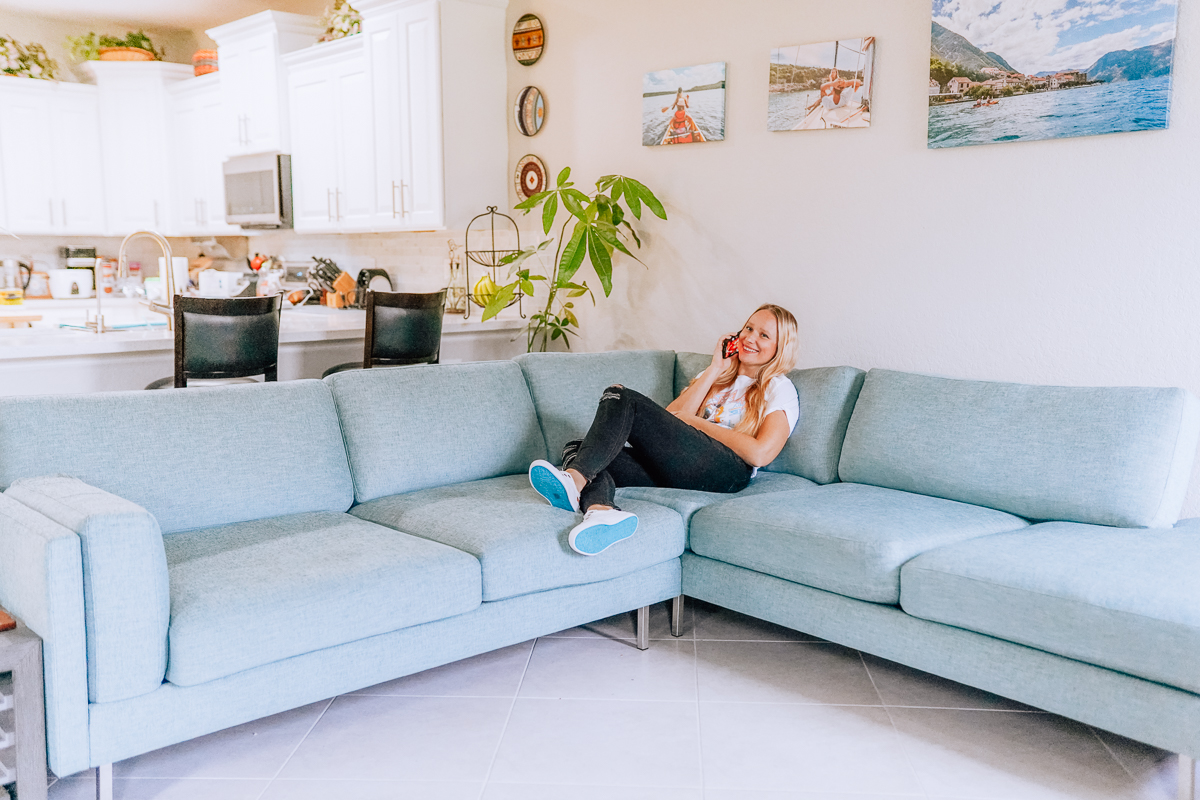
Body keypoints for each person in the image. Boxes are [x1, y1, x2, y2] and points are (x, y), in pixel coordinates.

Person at [528, 304, 801, 556]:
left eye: (764, 335)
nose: (750, 338)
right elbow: (670, 420)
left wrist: (697, 422)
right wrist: (715, 369)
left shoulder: (778, 388)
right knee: (580, 449)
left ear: (779, 348)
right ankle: (602, 512)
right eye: (748, 328)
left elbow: (761, 454)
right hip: (683, 466)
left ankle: (574, 481)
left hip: (727, 472)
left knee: (621, 396)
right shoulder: (715, 377)